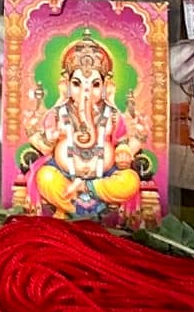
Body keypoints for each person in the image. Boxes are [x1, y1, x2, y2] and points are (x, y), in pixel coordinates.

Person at [28, 32, 149, 219]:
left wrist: (125, 150)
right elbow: (43, 147)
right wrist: (49, 140)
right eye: (77, 84)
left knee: (130, 181)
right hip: (64, 176)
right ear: (64, 86)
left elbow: (123, 143)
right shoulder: (57, 114)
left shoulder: (113, 116)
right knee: (45, 177)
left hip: (103, 180)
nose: (86, 91)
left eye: (95, 85)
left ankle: (83, 191)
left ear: (106, 87)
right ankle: (77, 210)